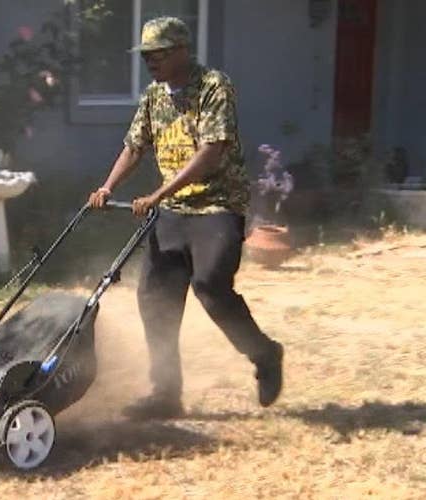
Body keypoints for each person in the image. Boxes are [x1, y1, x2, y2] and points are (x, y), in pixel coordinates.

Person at [87, 17, 283, 419]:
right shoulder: (154, 95)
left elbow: (212, 150)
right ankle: (165, 393)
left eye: (158, 54)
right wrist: (108, 187)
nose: (150, 62)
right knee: (155, 297)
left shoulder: (214, 86)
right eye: (146, 56)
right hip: (174, 211)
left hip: (218, 206)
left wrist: (158, 193)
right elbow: (134, 146)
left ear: (181, 51)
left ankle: (264, 354)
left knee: (211, 286)